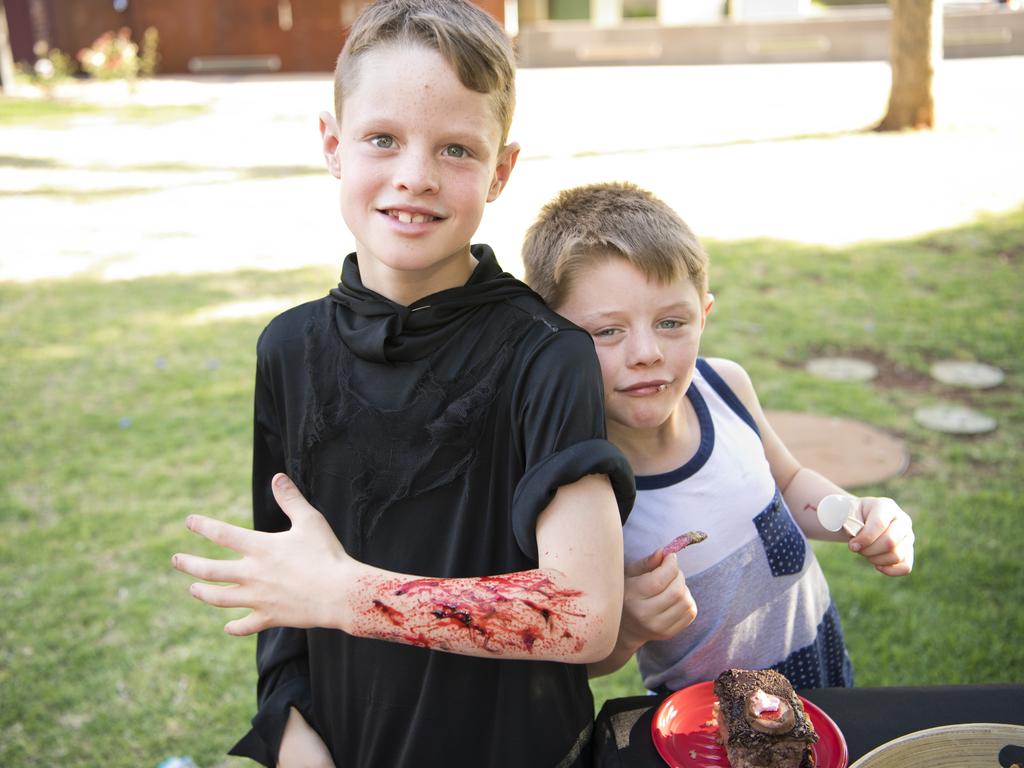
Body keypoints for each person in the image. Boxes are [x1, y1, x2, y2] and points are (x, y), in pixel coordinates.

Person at [171, 3, 634, 766]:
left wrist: (351, 596)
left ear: (501, 171)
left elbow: (583, 613)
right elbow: (293, 592)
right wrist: (292, 734)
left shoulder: (546, 355)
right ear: (332, 145)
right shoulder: (289, 349)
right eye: (382, 139)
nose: (414, 177)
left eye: (456, 148)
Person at [521, 181, 915, 694]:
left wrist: (857, 515)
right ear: (550, 336)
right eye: (607, 331)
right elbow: (583, 654)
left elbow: (790, 483)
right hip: (712, 723)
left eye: (671, 322)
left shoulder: (724, 386)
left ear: (703, 314)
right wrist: (631, 625)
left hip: (819, 670)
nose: (647, 352)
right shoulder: (582, 490)